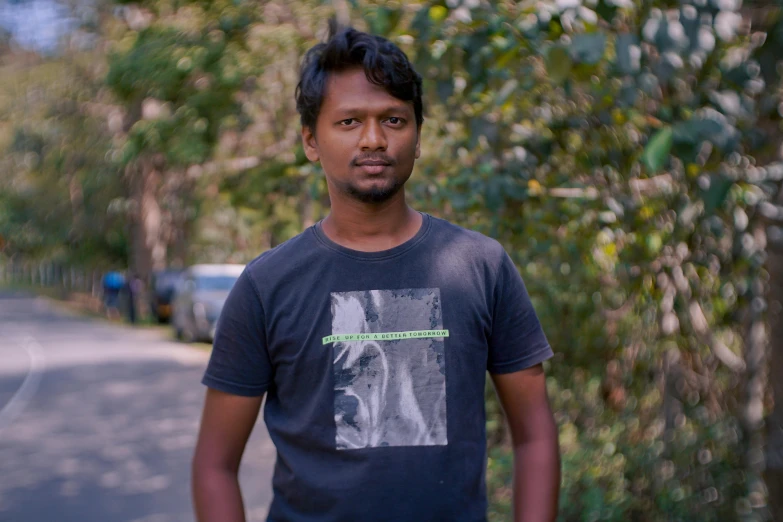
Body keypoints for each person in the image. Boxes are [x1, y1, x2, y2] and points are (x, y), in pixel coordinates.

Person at [192, 25, 560, 522]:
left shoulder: (480, 265)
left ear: (417, 135)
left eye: (393, 119)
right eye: (348, 122)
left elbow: (534, 435)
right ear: (311, 141)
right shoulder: (267, 285)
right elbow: (214, 465)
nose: (373, 139)